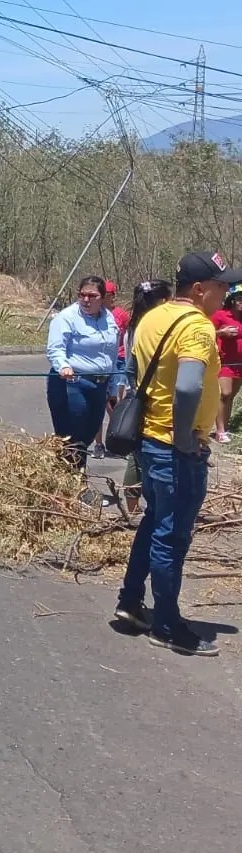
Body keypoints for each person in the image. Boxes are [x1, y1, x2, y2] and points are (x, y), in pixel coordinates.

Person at [115, 250, 240, 656]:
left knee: (154, 523)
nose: (228, 292)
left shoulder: (152, 317)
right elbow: (187, 386)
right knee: (172, 536)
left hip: (151, 441)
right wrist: (186, 435)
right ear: (200, 289)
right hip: (176, 447)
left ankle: (131, 601)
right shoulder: (198, 327)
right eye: (222, 286)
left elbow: (137, 373)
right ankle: (167, 625)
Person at [45, 275, 119, 477]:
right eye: (82, 295)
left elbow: (111, 354)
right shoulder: (67, 317)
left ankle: (70, 479)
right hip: (72, 384)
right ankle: (73, 482)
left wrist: (113, 386)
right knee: (72, 437)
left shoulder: (109, 318)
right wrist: (63, 366)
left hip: (99, 385)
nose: (86, 300)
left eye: (92, 296)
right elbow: (55, 349)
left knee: (88, 434)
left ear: (103, 298)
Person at [119, 278, 173, 514]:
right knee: (139, 456)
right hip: (150, 400)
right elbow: (131, 369)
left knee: (138, 453)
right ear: (162, 301)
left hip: (141, 395)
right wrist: (140, 394)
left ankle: (136, 506)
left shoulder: (135, 325)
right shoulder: (150, 326)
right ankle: (137, 507)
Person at [92, 280, 132, 459]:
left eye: (105, 295)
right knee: (98, 404)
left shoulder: (121, 315)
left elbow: (129, 337)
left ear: (111, 296)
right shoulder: (95, 314)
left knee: (115, 404)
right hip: (99, 363)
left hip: (119, 361)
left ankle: (118, 440)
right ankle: (98, 444)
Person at [212, 284, 242, 443]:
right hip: (225, 362)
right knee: (224, 394)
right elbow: (206, 330)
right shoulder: (220, 315)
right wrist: (221, 332)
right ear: (232, 299)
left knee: (231, 396)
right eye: (239, 297)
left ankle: (225, 426)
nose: (241, 301)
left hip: (240, 363)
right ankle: (220, 430)